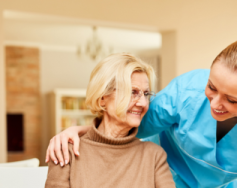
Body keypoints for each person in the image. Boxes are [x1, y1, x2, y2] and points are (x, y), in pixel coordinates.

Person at [46, 39, 237, 188]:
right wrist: (77, 131)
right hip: (170, 178)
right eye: (211, 87)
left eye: (232, 100)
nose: (215, 103)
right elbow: (128, 121)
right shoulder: (185, 92)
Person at [45, 53, 176, 188]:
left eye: (146, 94)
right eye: (132, 92)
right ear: (102, 98)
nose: (143, 103)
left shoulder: (154, 155)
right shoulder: (66, 151)